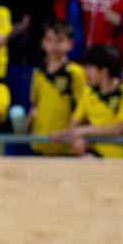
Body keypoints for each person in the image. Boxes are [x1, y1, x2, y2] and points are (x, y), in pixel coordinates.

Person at [65, 43, 123, 158]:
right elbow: (74, 124)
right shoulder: (87, 93)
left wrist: (84, 130)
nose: (85, 72)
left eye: (89, 68)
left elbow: (120, 128)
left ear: (103, 71)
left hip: (121, 160)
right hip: (94, 158)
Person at [28, 20, 88, 155]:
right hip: (40, 144)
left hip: (64, 146)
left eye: (60, 41)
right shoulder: (38, 72)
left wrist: (68, 132)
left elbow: (83, 109)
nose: (54, 46)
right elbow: (35, 104)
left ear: (71, 44)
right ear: (43, 43)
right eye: (49, 40)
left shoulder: (76, 73)